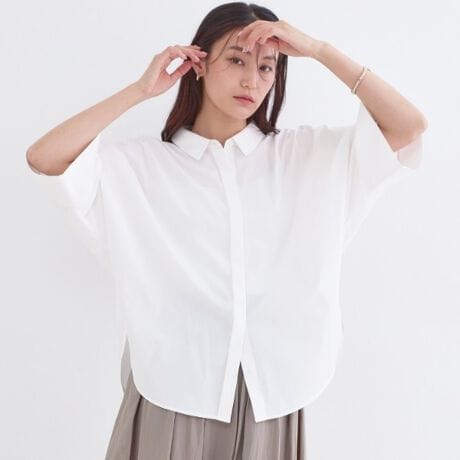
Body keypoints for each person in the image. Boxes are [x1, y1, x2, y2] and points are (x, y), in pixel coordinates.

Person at [26, 2, 427, 459]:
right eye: (236, 60)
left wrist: (319, 50)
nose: (251, 80)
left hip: (271, 396)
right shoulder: (141, 166)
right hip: (172, 393)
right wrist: (140, 91)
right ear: (198, 63)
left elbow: (409, 127)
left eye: (266, 67)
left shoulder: (307, 156)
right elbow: (44, 158)